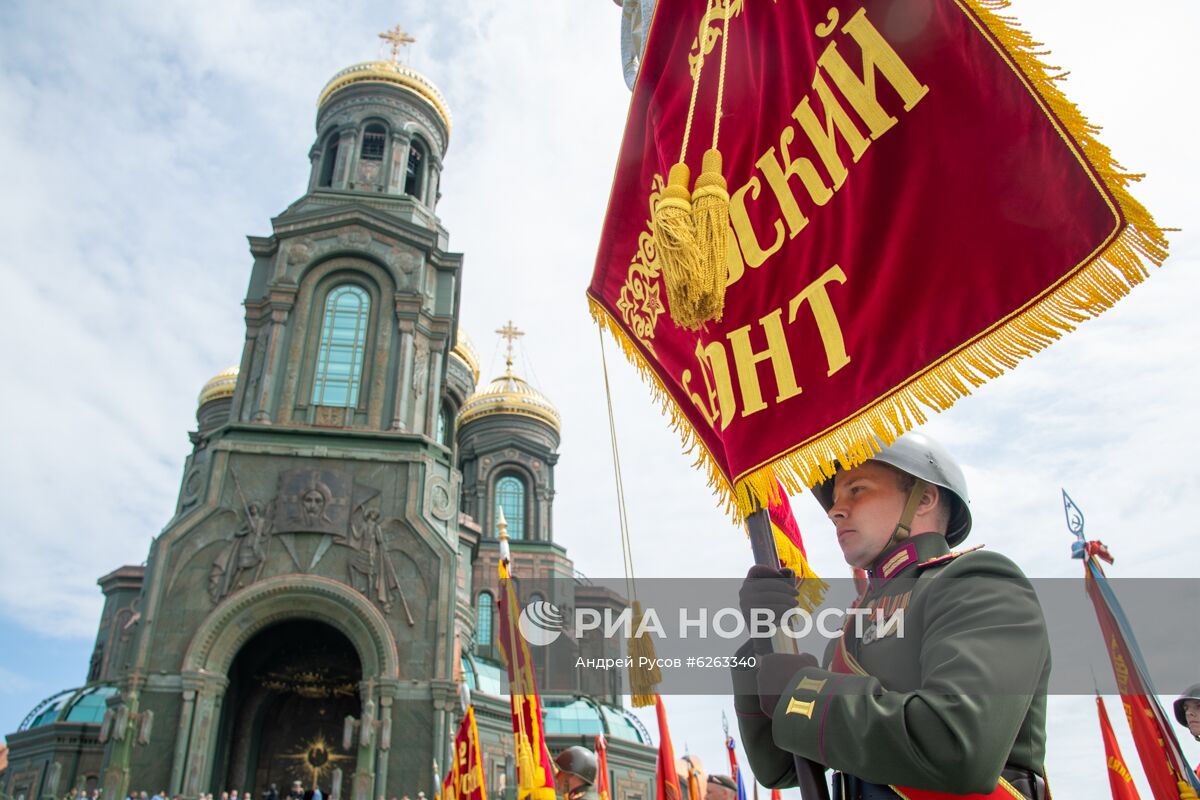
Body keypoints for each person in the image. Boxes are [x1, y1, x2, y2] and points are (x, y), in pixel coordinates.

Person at [731, 432, 1051, 799]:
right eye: (835, 499)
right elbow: (781, 767)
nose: (836, 510)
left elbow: (958, 745)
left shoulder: (980, 579)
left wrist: (803, 690)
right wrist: (766, 641)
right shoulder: (852, 627)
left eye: (857, 489)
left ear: (924, 499)